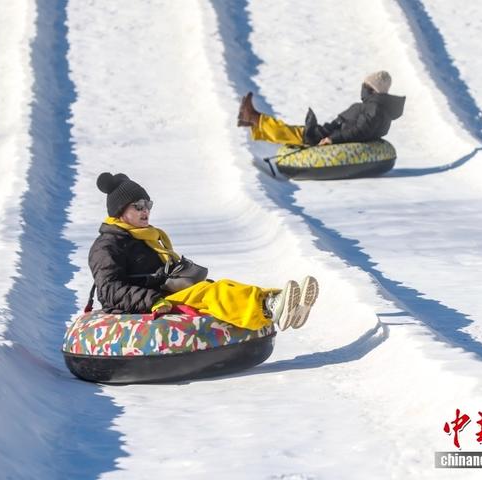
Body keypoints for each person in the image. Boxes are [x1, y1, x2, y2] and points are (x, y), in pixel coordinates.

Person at [88, 172, 319, 331]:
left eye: (148, 205)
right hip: (143, 306)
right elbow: (109, 290)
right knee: (211, 293)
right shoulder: (107, 246)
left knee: (220, 285)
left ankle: (279, 302)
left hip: (161, 295)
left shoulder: (147, 237)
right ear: (120, 211)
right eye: (138, 206)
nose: (145, 211)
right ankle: (269, 308)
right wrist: (152, 300)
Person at [237, 70, 405, 146]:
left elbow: (360, 131)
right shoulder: (374, 106)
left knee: (295, 133)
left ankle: (253, 117)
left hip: (328, 136)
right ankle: (252, 120)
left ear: (373, 89)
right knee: (295, 131)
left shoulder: (375, 108)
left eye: (366, 85)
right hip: (329, 131)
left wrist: (333, 139)